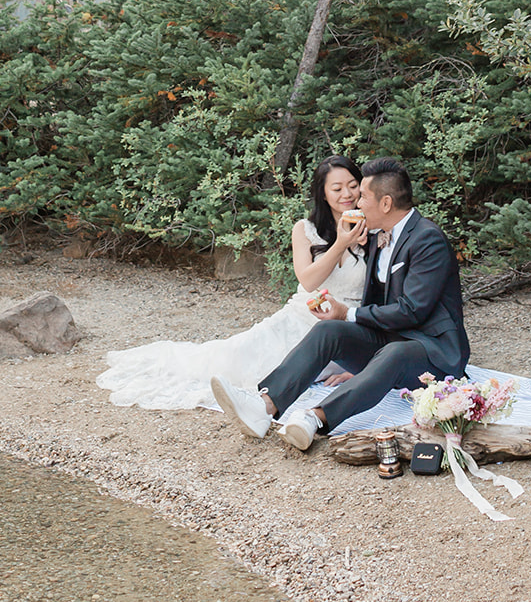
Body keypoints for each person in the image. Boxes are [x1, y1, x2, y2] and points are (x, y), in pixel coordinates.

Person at [211, 155, 469, 450]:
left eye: (363, 197)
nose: (357, 203)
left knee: (394, 353)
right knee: (328, 330)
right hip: (390, 340)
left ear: (385, 204)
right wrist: (344, 321)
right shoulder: (375, 236)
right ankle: (264, 406)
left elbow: (413, 310)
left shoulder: (428, 239)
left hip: (431, 350)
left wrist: (349, 312)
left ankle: (316, 418)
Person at [96, 156, 368, 411]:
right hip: (298, 319)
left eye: (353, 186)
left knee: (282, 374)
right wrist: (341, 243)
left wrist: (359, 364)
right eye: (337, 188)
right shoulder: (305, 229)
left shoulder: (375, 231)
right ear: (323, 193)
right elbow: (308, 281)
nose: (347, 194)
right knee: (235, 361)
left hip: (343, 331)